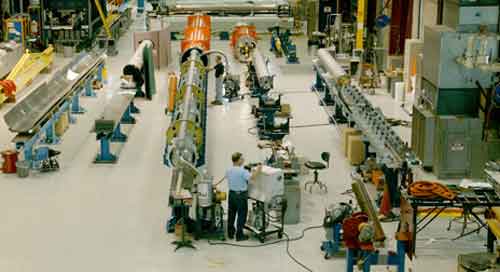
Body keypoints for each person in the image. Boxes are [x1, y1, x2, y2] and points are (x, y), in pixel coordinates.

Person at [225, 152, 261, 241]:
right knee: (241, 215)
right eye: (242, 158)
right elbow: (252, 177)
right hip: (240, 196)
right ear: (238, 160)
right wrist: (259, 169)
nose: (243, 160)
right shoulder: (242, 171)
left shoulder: (228, 170)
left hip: (231, 194)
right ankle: (239, 235)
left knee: (231, 214)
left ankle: (230, 233)